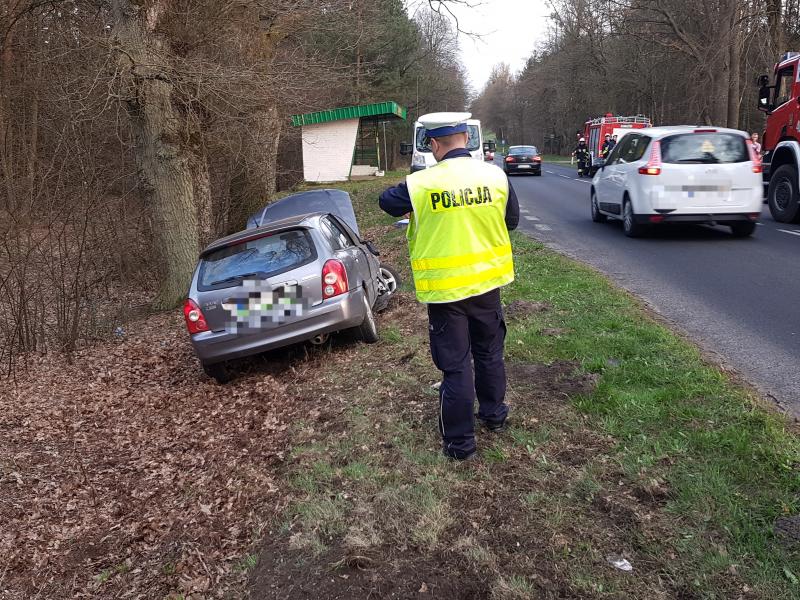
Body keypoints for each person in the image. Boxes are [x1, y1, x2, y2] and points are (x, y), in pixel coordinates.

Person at [379, 112, 519, 461]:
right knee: (489, 353)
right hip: (487, 284)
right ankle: (494, 416)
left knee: (456, 365)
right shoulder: (496, 176)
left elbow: (385, 202)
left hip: (446, 292)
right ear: (465, 141)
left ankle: (460, 443)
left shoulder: (422, 184)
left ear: (435, 144)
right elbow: (512, 221)